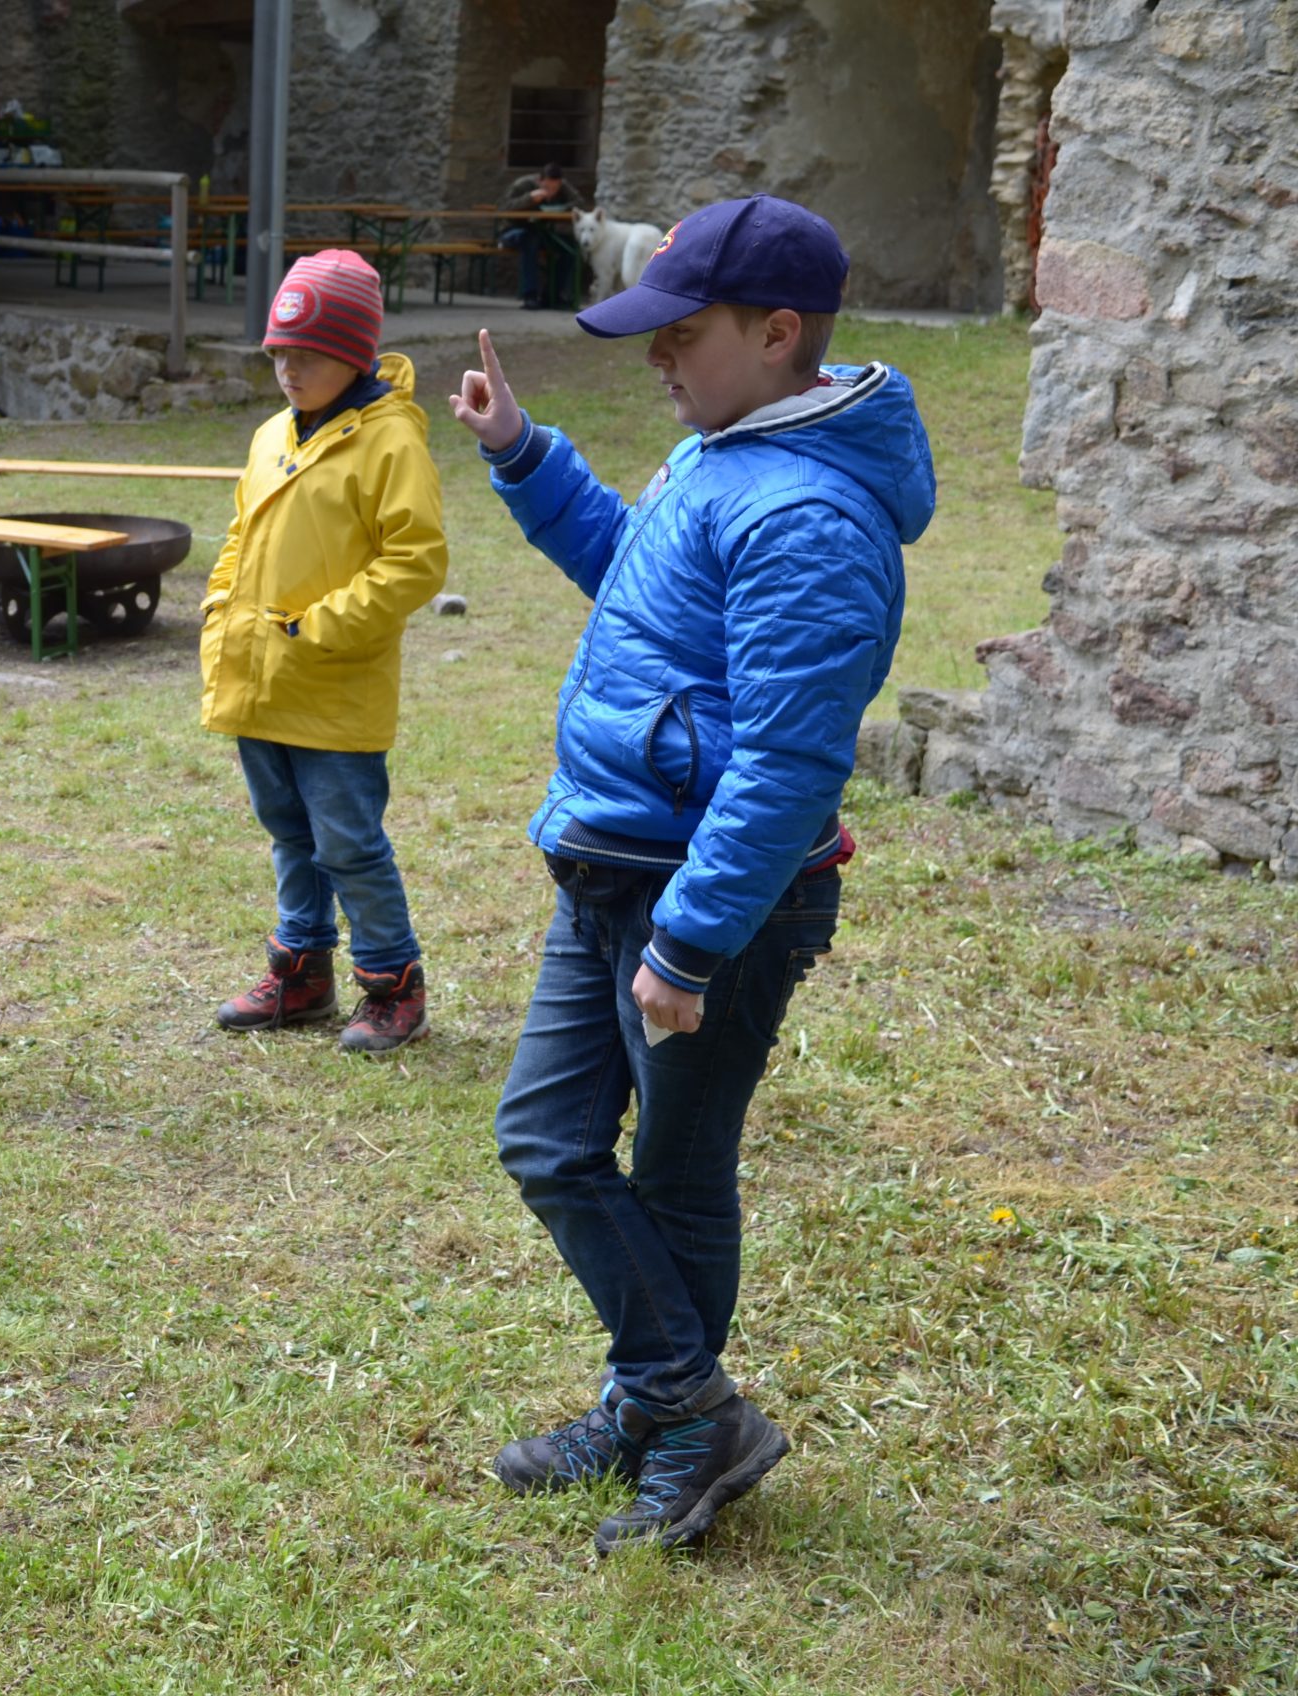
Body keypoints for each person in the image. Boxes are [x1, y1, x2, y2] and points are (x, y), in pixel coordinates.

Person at [448, 197, 934, 1551]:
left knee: (673, 1170)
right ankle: (673, 1400)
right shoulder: (718, 455)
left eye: (681, 333)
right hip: (612, 868)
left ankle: (672, 1416)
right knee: (546, 1139)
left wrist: (693, 940)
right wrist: (524, 455)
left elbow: (788, 763)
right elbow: (635, 582)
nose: (656, 357)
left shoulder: (811, 516)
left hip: (704, 904)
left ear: (777, 335)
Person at [200, 248, 451, 1055]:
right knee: (289, 832)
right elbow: (241, 535)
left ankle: (393, 985)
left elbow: (416, 561)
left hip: (335, 684)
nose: (289, 369)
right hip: (262, 675)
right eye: (280, 351)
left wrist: (322, 626)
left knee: (348, 843)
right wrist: (219, 606)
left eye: (308, 354)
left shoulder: (390, 443)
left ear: (356, 355)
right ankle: (302, 972)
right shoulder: (272, 434)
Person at [499, 162, 581, 309]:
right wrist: (529, 199)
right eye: (547, 188)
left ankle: (552, 295)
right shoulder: (522, 185)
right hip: (512, 231)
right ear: (539, 181)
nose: (551, 192)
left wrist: (562, 208)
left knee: (569, 247)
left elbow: (579, 203)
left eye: (555, 188)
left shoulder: (564, 186)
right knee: (530, 241)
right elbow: (503, 208)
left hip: (542, 231)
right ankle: (530, 295)